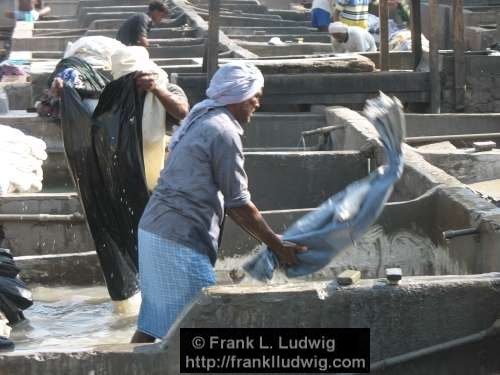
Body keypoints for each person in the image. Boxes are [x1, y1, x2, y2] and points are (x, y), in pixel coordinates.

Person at [131, 61, 307, 343]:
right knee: (209, 323)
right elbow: (238, 204)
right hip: (177, 240)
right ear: (238, 97)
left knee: (154, 327)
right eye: (255, 96)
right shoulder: (223, 131)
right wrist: (277, 245)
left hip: (156, 232)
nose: (258, 104)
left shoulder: (203, 116)